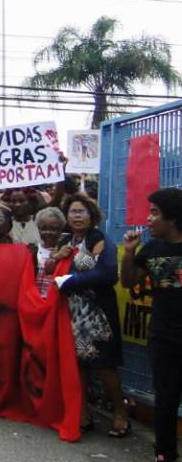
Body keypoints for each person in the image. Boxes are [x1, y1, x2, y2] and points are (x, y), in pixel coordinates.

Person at [53, 193, 128, 437]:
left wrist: (71, 280)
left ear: (91, 215)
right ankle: (82, 412)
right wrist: (57, 258)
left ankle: (120, 413)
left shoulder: (99, 238)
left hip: (96, 315)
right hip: (71, 314)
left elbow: (107, 274)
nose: (76, 216)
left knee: (104, 366)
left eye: (81, 211)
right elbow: (48, 269)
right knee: (77, 367)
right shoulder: (65, 240)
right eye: (72, 212)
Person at [120, 188, 182, 461]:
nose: (148, 219)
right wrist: (129, 253)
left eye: (155, 213)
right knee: (166, 398)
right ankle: (164, 453)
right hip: (162, 336)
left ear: (173, 218)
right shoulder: (152, 249)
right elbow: (128, 281)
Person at [31, 207, 66, 298]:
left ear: (61, 229)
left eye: (53, 229)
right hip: (36, 302)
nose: (48, 232)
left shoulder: (66, 251)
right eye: (43, 228)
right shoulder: (32, 252)